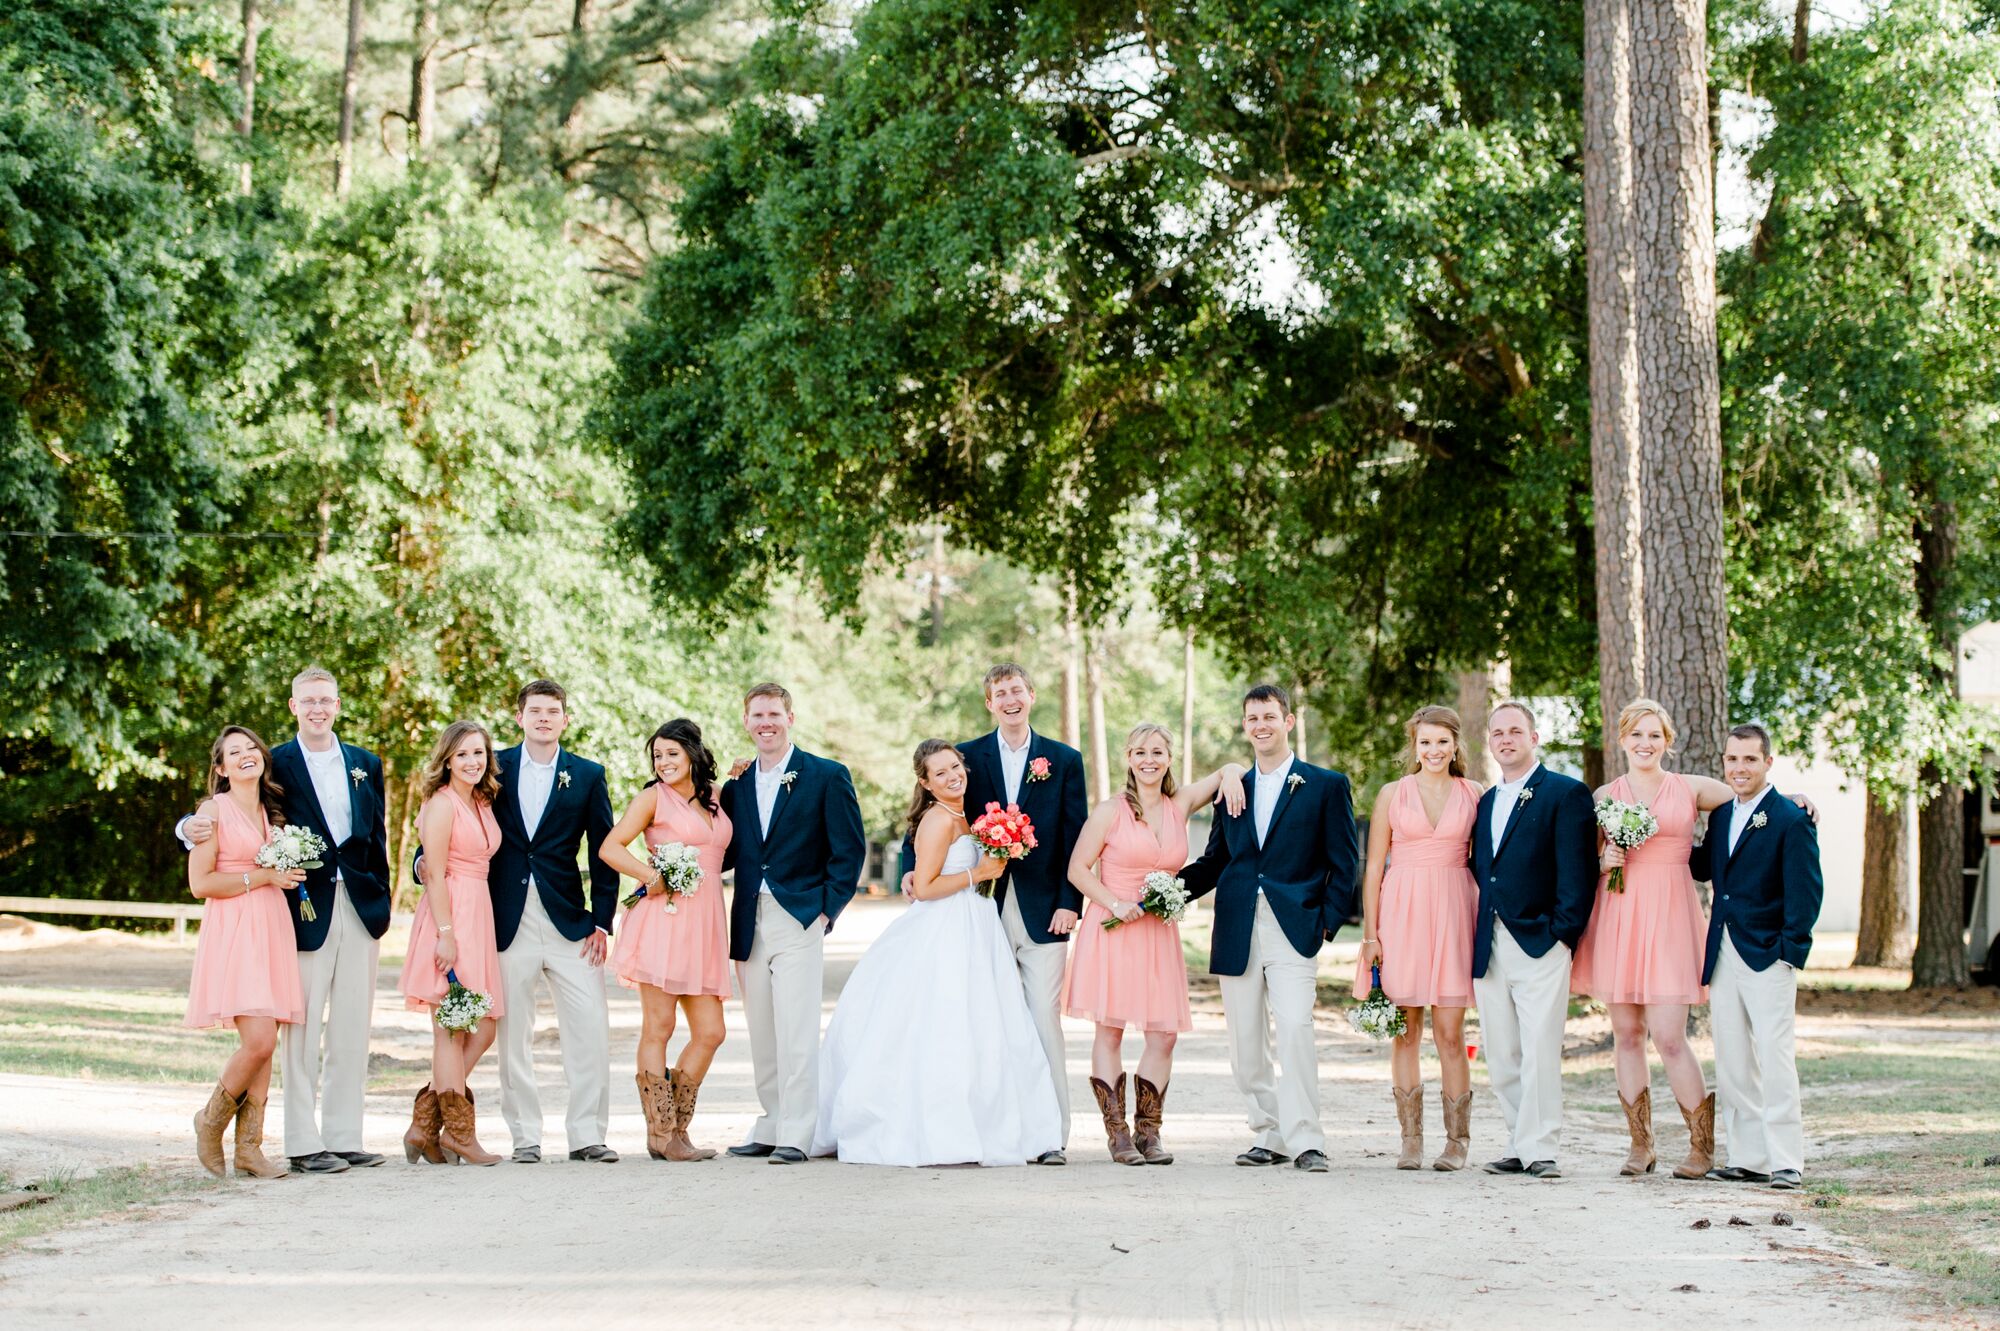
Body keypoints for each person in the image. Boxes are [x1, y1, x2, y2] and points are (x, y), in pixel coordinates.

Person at [175, 667, 393, 1175]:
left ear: (338, 705)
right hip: (297, 908)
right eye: (308, 701)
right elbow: (223, 810)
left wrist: (381, 895)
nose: (318, 708)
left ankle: (344, 1135)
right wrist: (186, 827)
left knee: (351, 1027)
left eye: (326, 700)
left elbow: (377, 834)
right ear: (294, 707)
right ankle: (302, 1141)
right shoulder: (276, 761)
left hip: (360, 903)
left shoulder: (366, 763)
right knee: (298, 1025)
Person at [813, 740, 1062, 1166]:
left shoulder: (967, 816)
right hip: (946, 928)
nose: (952, 776)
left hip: (977, 925)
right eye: (940, 773)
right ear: (926, 784)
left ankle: (991, 1125)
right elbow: (925, 889)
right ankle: (939, 1129)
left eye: (955, 767)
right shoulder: (937, 820)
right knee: (943, 1023)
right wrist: (978, 872)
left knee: (986, 1025)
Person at [419, 680, 621, 1164]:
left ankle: (588, 1134)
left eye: (553, 711)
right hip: (502, 921)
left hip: (571, 920)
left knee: (590, 1026)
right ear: (520, 717)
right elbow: (445, 825)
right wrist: (420, 866)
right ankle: (525, 1136)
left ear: (565, 719)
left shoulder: (588, 775)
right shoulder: (492, 767)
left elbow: (603, 850)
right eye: (535, 711)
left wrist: (602, 920)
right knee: (511, 1035)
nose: (544, 718)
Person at [898, 663, 1088, 1164]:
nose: (1009, 699)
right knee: (990, 1017)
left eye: (1017, 690)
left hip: (1046, 907)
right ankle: (1000, 1126)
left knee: (1043, 1018)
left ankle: (1052, 1134)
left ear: (1031, 695)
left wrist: (1071, 903)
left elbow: (1076, 833)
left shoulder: (1064, 760)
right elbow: (925, 813)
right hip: (981, 910)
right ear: (989, 702)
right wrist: (907, 868)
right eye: (999, 692)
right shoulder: (968, 758)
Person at [1182, 684, 1359, 1174]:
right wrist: (1168, 891)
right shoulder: (1232, 788)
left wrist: (1324, 924)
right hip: (1237, 922)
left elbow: (1344, 864)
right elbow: (1217, 860)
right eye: (1251, 718)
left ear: (1288, 720)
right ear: (1245, 726)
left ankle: (1307, 1140)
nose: (1260, 726)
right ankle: (1268, 1133)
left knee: (1297, 1026)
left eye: (1268, 716)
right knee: (1245, 1038)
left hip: (1295, 924)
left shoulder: (1325, 784)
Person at [1574, 698, 1742, 1179]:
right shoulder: (1606, 793)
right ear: (1622, 740)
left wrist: (1794, 800)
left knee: (1669, 1037)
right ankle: (1640, 1144)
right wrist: (1604, 861)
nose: (1645, 744)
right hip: (1621, 913)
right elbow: (1588, 858)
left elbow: (1751, 798)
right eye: (1636, 735)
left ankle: (1701, 1146)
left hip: (1670, 913)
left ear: (1667, 741)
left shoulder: (1689, 788)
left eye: (1655, 735)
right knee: (1626, 1034)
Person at [1064, 724, 1244, 1165]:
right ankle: (1118, 1134)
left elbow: (1226, 770)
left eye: (1158, 752)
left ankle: (1150, 1132)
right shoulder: (1110, 810)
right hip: (1114, 926)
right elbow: (1077, 869)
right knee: (1111, 1030)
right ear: (1128, 757)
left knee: (1163, 1036)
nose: (1150, 759)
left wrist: (1236, 773)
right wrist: (1114, 902)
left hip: (1158, 932)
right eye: (1141, 752)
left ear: (1168, 758)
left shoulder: (1178, 803)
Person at [720, 683, 867, 1164]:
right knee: (761, 1029)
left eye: (774, 714)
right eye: (757, 715)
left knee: (797, 1028)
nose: (766, 722)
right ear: (746, 722)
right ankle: (772, 1121)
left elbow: (849, 851)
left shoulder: (826, 775)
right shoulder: (735, 787)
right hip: (747, 918)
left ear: (791, 718)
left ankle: (798, 1133)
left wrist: (825, 909)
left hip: (799, 915)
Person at [1690, 724, 1823, 1191]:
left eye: (1749, 759)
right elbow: (1703, 866)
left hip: (1769, 954)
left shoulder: (1790, 817)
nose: (1739, 768)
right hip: (1724, 951)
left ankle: (1787, 1160)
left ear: (1768, 763)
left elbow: (1807, 892)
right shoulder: (1723, 814)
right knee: (1731, 1058)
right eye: (1732, 759)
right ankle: (1748, 1157)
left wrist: (1790, 951)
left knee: (1774, 1055)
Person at [1470, 700, 1597, 1180]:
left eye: (1515, 731)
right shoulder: (1485, 800)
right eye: (1498, 732)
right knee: (1501, 1051)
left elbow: (1577, 874)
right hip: (1490, 942)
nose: (1506, 739)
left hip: (1541, 941)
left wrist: (1562, 935)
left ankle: (1542, 1147)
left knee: (1540, 1048)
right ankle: (1519, 1143)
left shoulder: (1564, 794)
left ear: (1534, 737)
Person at [1355, 705, 1483, 1171]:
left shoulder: (1474, 793)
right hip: (1401, 913)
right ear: (1414, 745)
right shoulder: (1393, 793)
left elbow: (1485, 863)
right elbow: (1373, 867)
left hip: (1453, 912)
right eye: (1425, 742)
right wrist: (1372, 935)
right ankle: (1410, 1139)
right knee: (1405, 1032)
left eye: (1442, 742)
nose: (1434, 750)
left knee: (1451, 1034)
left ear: (1455, 746)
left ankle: (1457, 1141)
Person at [600, 720, 733, 1162]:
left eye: (672, 754)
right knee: (659, 1026)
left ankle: (674, 1126)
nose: (664, 763)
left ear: (693, 754)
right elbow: (611, 847)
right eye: (657, 756)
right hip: (665, 919)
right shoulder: (652, 798)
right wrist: (651, 877)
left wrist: (743, 772)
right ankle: (662, 1134)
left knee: (711, 1032)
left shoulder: (715, 798)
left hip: (706, 925)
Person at [184, 726, 305, 1180]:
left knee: (265, 1046)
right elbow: (201, 884)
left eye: (251, 747)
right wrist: (265, 877)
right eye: (234, 752)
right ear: (221, 768)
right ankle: (209, 1120)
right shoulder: (211, 811)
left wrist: (284, 873)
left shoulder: (271, 812)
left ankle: (250, 1149)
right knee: (259, 1041)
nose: (245, 754)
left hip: (271, 925)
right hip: (235, 928)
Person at [398, 721, 506, 1165]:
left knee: (483, 1026)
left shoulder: (481, 800)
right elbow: (434, 874)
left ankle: (426, 1123)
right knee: (450, 1026)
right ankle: (458, 1134)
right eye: (462, 754)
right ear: (446, 759)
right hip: (451, 915)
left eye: (478, 753)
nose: (472, 762)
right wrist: (446, 935)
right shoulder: (441, 805)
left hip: (479, 912)